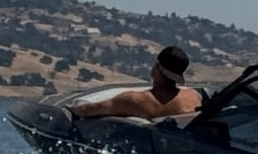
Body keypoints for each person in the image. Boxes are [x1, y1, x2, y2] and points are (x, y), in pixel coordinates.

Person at [71, 46, 204, 121]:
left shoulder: (135, 100)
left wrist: (69, 109)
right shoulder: (193, 98)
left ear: (156, 69)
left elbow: (91, 110)